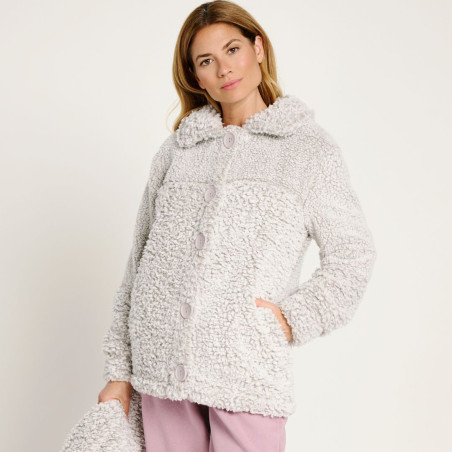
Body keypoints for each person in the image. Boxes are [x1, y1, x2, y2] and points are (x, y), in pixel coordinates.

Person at [97, 1, 377, 451]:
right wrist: (119, 371)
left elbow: (353, 255)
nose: (224, 68)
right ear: (195, 76)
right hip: (160, 367)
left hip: (244, 367)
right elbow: (139, 264)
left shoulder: (308, 151)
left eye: (233, 49)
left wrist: (290, 319)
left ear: (258, 48)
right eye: (206, 60)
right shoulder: (176, 153)